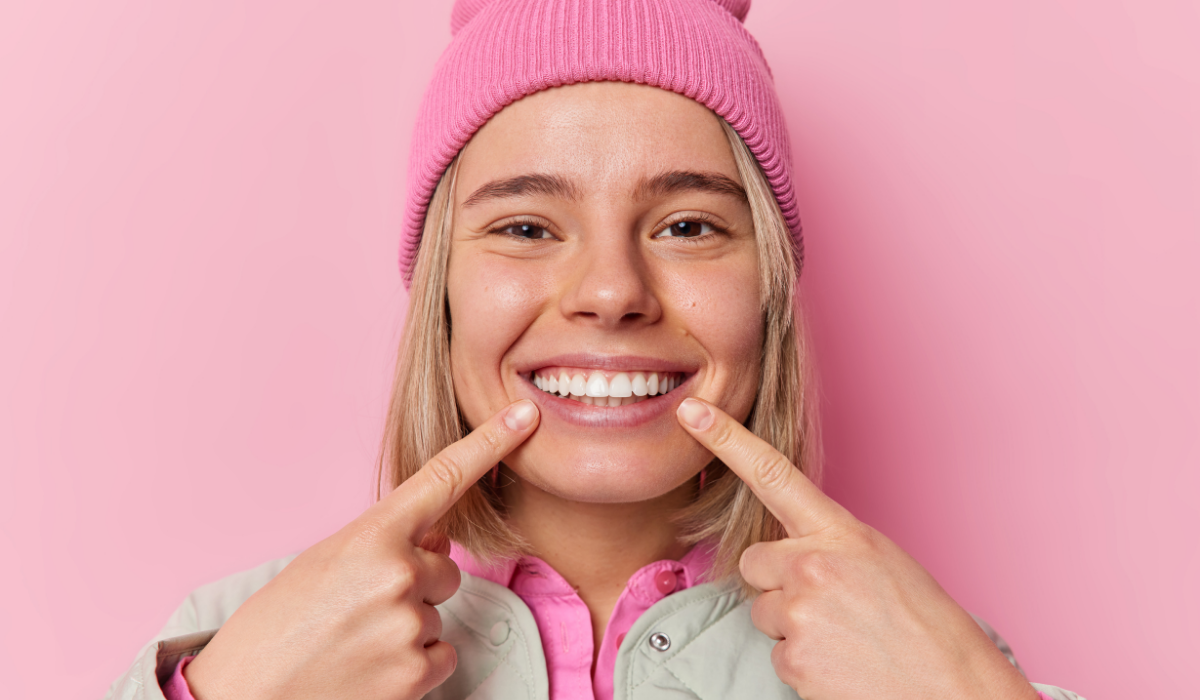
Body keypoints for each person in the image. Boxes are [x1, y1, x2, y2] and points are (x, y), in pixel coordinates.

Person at [107, 1, 1083, 698]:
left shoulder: (916, 655)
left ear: (771, 289)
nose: (613, 292)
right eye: (527, 227)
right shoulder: (229, 645)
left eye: (690, 225)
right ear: (442, 293)